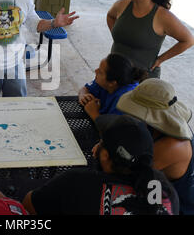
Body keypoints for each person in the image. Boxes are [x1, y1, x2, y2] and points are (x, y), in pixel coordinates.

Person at [22, 114, 179, 215]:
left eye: (101, 141)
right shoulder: (166, 191)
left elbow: (29, 205)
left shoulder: (75, 182)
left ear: (104, 155)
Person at [116, 78, 194, 214]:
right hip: (157, 188)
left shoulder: (173, 145)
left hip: (176, 207)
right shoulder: (156, 127)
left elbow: (127, 173)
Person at [107, 0, 194, 78]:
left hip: (142, 79)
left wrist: (160, 59)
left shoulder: (163, 16)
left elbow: (188, 40)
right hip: (115, 72)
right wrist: (117, 34)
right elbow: (110, 16)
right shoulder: (121, 5)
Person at [78, 53, 146, 121]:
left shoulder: (123, 101)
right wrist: (83, 96)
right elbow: (85, 88)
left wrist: (93, 113)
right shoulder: (108, 82)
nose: (96, 71)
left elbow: (111, 130)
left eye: (100, 72)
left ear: (112, 83)